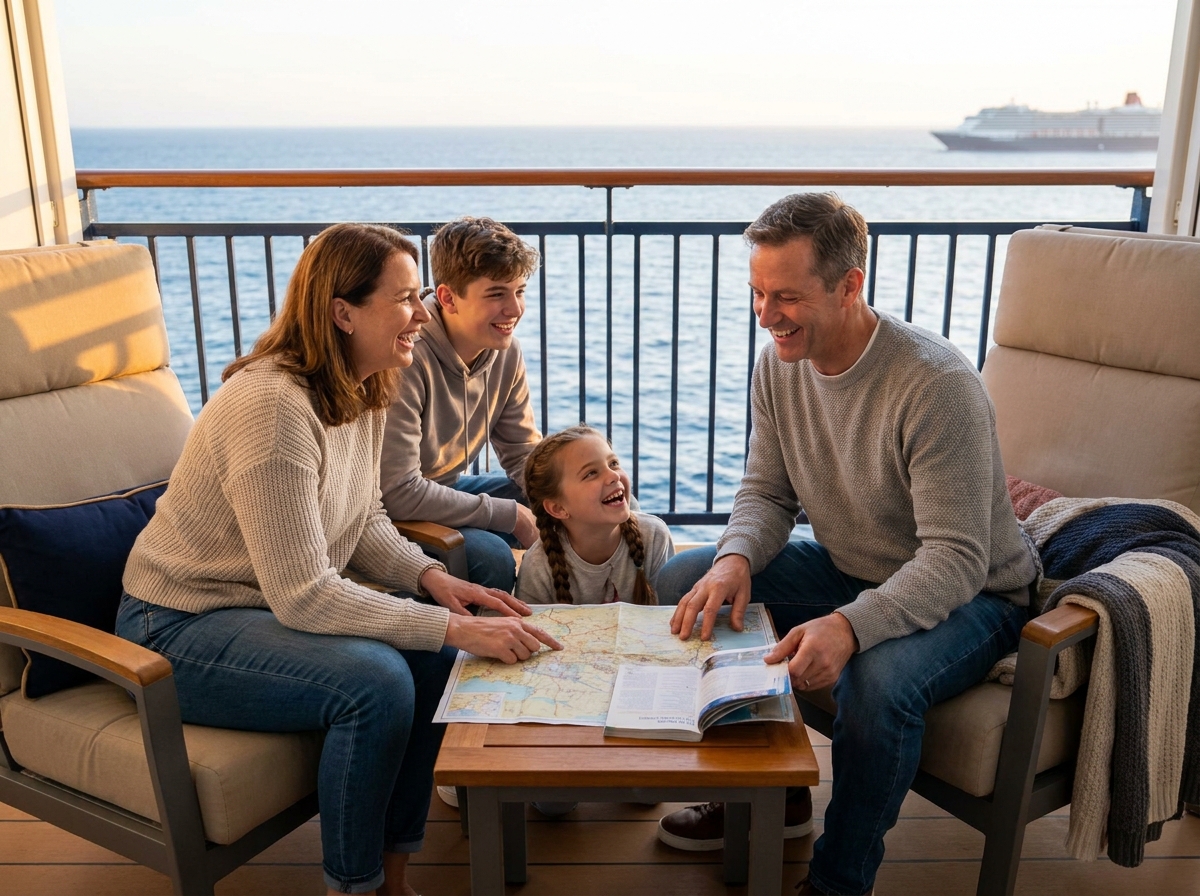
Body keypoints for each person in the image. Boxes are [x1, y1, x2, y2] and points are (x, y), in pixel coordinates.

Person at [116, 223, 561, 896]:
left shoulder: (364, 383)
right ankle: (352, 888)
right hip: (179, 623)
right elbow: (305, 594)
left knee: (435, 663)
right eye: (405, 299)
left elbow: (365, 519)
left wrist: (432, 578)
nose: (422, 315)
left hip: (261, 607)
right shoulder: (271, 408)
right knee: (377, 682)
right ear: (342, 313)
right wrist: (453, 626)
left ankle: (394, 881)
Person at [655, 194, 1037, 896]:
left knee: (878, 682)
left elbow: (955, 559)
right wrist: (735, 557)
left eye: (786, 297)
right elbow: (767, 492)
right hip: (853, 568)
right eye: (758, 293)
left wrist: (850, 627)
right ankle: (771, 799)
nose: (765, 315)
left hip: (978, 596)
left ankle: (838, 883)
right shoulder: (779, 365)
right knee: (688, 578)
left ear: (849, 285)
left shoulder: (936, 385)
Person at [379, 216, 543, 593]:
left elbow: (522, 452)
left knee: (592, 499)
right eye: (496, 294)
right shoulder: (406, 357)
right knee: (491, 555)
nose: (514, 309)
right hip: (390, 512)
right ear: (449, 297)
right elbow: (398, 493)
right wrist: (513, 516)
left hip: (444, 488)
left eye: (519, 291)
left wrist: (581, 490)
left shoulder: (505, 351)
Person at [517, 424, 674, 606]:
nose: (614, 476)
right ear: (558, 508)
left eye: (613, 463)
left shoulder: (654, 536)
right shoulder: (537, 567)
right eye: (591, 473)